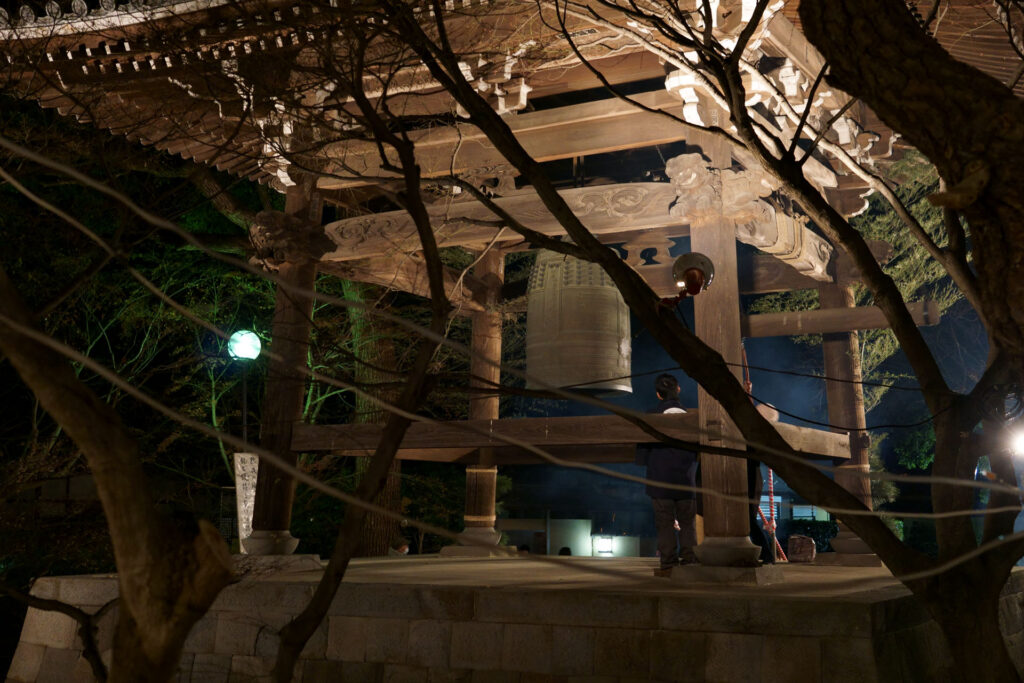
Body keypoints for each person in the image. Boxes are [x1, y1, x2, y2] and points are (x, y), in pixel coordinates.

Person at [636, 373, 699, 575]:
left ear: (658, 394)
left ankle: (668, 563)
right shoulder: (690, 418)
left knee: (664, 524)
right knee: (688, 524)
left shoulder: (651, 416)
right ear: (678, 389)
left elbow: (642, 453)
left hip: (659, 479)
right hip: (685, 479)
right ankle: (689, 561)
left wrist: (646, 461)